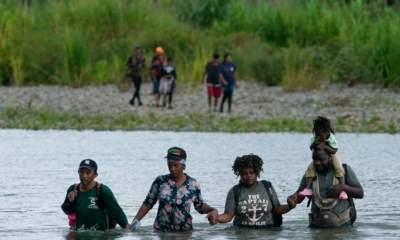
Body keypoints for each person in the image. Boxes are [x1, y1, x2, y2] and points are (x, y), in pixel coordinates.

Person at [128, 147, 218, 232]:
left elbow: (200, 205)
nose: (172, 169)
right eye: (169, 165)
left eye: (176, 165)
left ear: (183, 165)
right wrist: (134, 222)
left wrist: (212, 210)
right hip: (161, 232)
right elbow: (148, 203)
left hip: (185, 233)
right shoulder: (160, 181)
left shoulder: (193, 184)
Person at [290, 148, 364, 228]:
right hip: (316, 227)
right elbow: (300, 196)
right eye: (315, 160)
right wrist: (292, 199)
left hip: (343, 227)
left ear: (330, 157)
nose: (318, 163)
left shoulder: (345, 170)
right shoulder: (310, 174)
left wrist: (343, 187)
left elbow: (360, 193)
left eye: (322, 159)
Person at [217, 154, 297, 228]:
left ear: (257, 172)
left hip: (267, 232)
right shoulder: (234, 191)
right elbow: (228, 215)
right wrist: (215, 217)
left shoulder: (267, 187)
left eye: (251, 172)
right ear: (240, 174)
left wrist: (290, 206)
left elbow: (277, 209)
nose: (248, 175)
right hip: (242, 233)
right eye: (244, 173)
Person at [61, 159, 129, 231]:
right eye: (82, 172)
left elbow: (116, 211)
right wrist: (70, 201)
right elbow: (67, 211)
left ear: (95, 175)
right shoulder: (73, 189)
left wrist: (126, 225)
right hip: (79, 234)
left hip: (100, 235)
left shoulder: (102, 190)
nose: (84, 176)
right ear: (78, 173)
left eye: (88, 173)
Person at [299, 116, 348, 200]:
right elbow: (311, 148)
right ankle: (308, 189)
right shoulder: (316, 137)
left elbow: (334, 150)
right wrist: (314, 143)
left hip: (332, 154)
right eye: (317, 135)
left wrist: (325, 147)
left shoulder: (332, 138)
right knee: (310, 169)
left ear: (327, 132)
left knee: (339, 168)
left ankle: (342, 189)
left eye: (320, 135)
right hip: (319, 158)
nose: (318, 137)